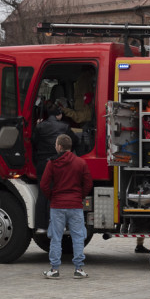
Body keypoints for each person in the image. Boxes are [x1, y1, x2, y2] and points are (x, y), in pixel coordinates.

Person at [41, 134, 93, 279]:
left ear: (59, 146)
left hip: (57, 205)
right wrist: (79, 196)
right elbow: (88, 183)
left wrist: (52, 197)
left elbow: (44, 184)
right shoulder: (80, 163)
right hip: (75, 205)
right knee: (78, 237)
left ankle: (54, 269)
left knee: (56, 237)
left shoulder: (52, 163)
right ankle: (79, 269)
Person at [33, 102, 73, 234]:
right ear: (59, 114)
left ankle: (40, 226)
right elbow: (75, 142)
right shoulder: (65, 127)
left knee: (42, 195)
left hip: (42, 164)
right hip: (58, 164)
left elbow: (34, 143)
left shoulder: (40, 127)